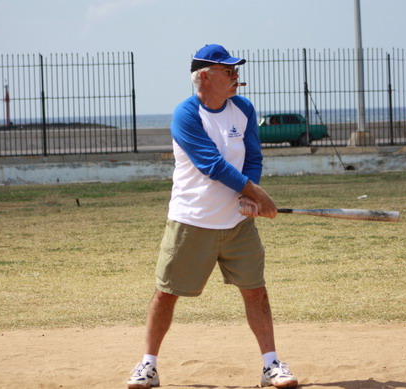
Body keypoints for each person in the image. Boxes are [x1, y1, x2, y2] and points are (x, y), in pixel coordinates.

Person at [126, 44, 298, 389]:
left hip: (236, 223)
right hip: (192, 221)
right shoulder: (186, 114)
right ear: (205, 76)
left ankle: (271, 365)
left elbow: (252, 159)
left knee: (256, 291)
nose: (237, 77)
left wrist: (248, 195)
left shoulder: (243, 108)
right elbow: (212, 165)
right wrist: (258, 195)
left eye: (236, 71)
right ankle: (148, 365)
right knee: (166, 293)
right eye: (229, 71)